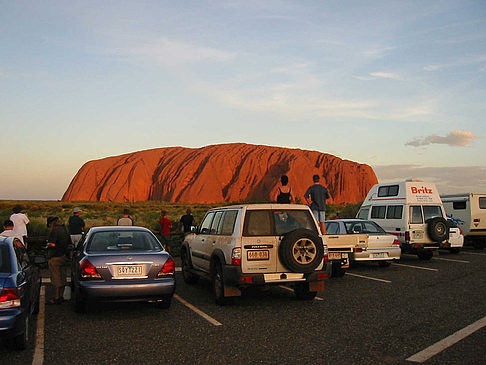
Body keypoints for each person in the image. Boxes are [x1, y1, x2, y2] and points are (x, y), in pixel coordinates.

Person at [46, 217, 71, 305]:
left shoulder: (55, 231)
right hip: (64, 256)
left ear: (51, 223)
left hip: (55, 256)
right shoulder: (65, 229)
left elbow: (52, 244)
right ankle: (61, 296)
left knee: (56, 278)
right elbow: (69, 243)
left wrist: (48, 245)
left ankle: (57, 297)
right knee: (63, 276)